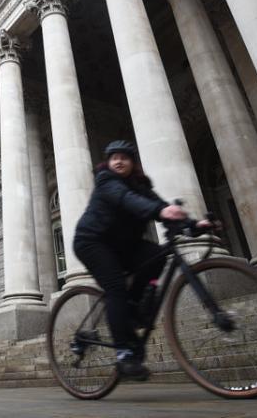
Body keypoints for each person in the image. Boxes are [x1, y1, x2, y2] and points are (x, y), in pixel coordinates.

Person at [73, 140, 210, 380]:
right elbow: (125, 199)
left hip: (123, 245)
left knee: (157, 255)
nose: (118, 161)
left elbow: (159, 205)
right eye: (113, 157)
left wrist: (193, 224)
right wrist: (160, 212)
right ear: (108, 162)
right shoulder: (106, 180)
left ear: (132, 163)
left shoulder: (140, 186)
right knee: (115, 287)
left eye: (124, 157)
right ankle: (124, 354)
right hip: (93, 242)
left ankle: (133, 312)